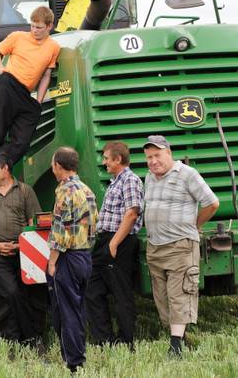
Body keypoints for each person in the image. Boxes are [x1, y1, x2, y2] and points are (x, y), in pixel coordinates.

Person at [143, 135, 219, 357]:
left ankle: (175, 347)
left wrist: (194, 226)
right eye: (149, 157)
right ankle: (181, 338)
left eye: (157, 155)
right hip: (155, 247)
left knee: (180, 294)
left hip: (180, 246)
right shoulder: (149, 177)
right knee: (162, 297)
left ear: (169, 153)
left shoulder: (187, 174)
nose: (153, 161)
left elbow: (212, 203)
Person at [0, 6, 61, 186]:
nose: (34, 30)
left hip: (26, 95)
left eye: (39, 27)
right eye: (32, 26)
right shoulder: (18, 37)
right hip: (7, 85)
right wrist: (1, 69)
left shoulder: (53, 47)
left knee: (22, 143)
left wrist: (39, 100)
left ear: (49, 26)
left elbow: (46, 75)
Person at [0, 152, 45, 354]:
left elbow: (33, 222)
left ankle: (14, 339)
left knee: (23, 295)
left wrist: (24, 245)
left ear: (5, 169)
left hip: (23, 252)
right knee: (12, 292)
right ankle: (32, 338)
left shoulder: (25, 191)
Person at [86, 141, 143, 351]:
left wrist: (114, 243)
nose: (104, 162)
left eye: (107, 158)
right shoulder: (115, 182)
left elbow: (131, 213)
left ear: (118, 159)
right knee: (92, 287)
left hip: (119, 242)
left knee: (121, 292)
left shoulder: (129, 180)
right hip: (106, 241)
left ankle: (127, 341)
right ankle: (104, 339)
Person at [48, 147, 97, 373]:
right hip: (85, 255)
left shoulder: (64, 191)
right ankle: (79, 354)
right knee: (78, 308)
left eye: (53, 164)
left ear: (58, 165)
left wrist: (52, 261)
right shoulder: (87, 190)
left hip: (68, 257)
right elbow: (93, 226)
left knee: (67, 311)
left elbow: (61, 233)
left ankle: (74, 362)